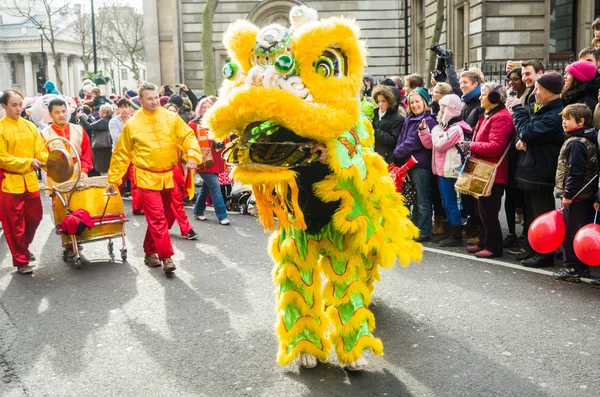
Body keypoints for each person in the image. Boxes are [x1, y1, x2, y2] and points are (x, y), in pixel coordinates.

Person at [105, 82, 202, 274]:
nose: (155, 101)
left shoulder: (172, 117)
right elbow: (121, 155)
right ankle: (166, 257)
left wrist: (192, 154)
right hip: (146, 178)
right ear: (140, 101)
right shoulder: (132, 124)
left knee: (164, 219)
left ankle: (149, 252)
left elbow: (187, 136)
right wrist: (113, 181)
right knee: (157, 219)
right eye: (150, 98)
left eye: (157, 97)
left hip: (168, 176)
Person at [511, 72, 565, 268]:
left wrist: (518, 110)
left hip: (541, 173)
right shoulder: (544, 110)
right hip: (532, 171)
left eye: (538, 88)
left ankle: (545, 254)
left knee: (542, 217)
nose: (534, 92)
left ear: (550, 91)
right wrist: (524, 138)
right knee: (532, 217)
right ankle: (535, 250)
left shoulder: (554, 115)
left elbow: (526, 131)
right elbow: (527, 133)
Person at [462, 84, 515, 258]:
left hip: (493, 173)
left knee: (489, 212)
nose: (479, 98)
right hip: (480, 169)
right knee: (480, 210)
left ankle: (494, 246)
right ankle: (484, 241)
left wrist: (470, 145)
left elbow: (495, 147)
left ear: (493, 97)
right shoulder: (487, 115)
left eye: (483, 95)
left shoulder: (501, 117)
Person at [0, 90, 49, 274]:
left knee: (35, 218)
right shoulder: (1, 128)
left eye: (20, 104)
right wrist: (27, 162)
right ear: (4, 106)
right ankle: (21, 260)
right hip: (9, 183)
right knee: (13, 225)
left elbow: (40, 151)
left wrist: (49, 161)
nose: (19, 108)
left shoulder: (30, 127)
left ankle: (23, 247)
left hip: (30, 181)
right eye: (14, 105)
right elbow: (2, 158)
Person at [552, 104, 599, 282]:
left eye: (567, 119)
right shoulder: (589, 139)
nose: (563, 122)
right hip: (585, 195)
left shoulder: (576, 144)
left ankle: (572, 267)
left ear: (580, 121)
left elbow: (575, 173)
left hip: (576, 197)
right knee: (580, 232)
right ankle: (582, 266)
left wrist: (568, 196)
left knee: (570, 232)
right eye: (563, 118)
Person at [418, 94, 471, 246]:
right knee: (446, 203)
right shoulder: (442, 128)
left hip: (450, 171)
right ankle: (450, 231)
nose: (440, 112)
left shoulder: (456, 129)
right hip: (441, 170)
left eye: (443, 109)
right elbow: (431, 145)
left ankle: (455, 235)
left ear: (451, 110)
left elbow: (440, 145)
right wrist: (423, 132)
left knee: (451, 203)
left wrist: (434, 131)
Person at [393, 87, 436, 241]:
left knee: (422, 198)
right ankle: (415, 227)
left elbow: (414, 141)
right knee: (413, 196)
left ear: (424, 102)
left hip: (420, 164)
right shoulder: (408, 119)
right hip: (407, 162)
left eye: (417, 101)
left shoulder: (428, 120)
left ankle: (424, 230)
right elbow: (402, 138)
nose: (414, 105)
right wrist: (398, 152)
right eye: (411, 102)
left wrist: (398, 153)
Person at [190, 97, 230, 225]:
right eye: (203, 107)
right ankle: (222, 215)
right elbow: (188, 143)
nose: (206, 110)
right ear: (199, 109)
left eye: (209, 107)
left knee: (206, 188)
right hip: (203, 161)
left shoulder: (218, 123)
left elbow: (226, 140)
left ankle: (197, 211)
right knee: (215, 186)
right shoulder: (193, 124)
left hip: (217, 160)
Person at [163, 102, 199, 239]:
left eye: (174, 111)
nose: (172, 113)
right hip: (161, 170)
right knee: (173, 199)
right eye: (169, 111)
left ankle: (167, 226)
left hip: (176, 169)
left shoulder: (181, 129)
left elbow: (189, 143)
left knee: (175, 198)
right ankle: (186, 229)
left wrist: (191, 157)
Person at [109, 98, 142, 215]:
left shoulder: (134, 120)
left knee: (136, 181)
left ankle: (138, 207)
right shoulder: (113, 121)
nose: (124, 110)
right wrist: (132, 138)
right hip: (119, 155)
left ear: (130, 108)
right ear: (117, 109)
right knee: (118, 182)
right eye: (121, 107)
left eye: (126, 107)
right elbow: (116, 138)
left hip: (133, 155)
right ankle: (114, 207)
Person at [372, 85, 404, 164]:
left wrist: (375, 130)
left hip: (388, 159)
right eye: (379, 101)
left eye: (383, 101)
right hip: (375, 157)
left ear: (389, 102)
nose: (380, 104)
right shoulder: (375, 114)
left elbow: (393, 140)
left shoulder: (398, 118)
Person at [79, 104, 114, 175]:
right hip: (108, 148)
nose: (98, 112)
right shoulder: (110, 119)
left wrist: (81, 117)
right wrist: (88, 119)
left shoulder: (103, 121)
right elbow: (94, 125)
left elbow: (88, 127)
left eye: (100, 111)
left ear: (104, 112)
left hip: (102, 149)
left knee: (104, 171)